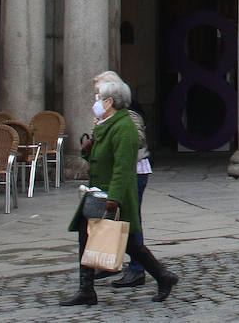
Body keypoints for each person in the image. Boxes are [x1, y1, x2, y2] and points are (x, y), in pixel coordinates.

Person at [59, 75, 179, 306]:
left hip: (112, 194)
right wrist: (88, 148)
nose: (96, 101)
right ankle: (87, 289)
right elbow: (98, 158)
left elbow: (124, 168)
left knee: (129, 242)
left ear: (110, 101)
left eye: (99, 97)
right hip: (97, 192)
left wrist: (114, 198)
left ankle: (163, 276)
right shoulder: (106, 124)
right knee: (86, 235)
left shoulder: (124, 127)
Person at [92, 70, 153, 288]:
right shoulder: (108, 117)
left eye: (99, 93)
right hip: (118, 174)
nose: (96, 99)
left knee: (130, 222)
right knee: (112, 222)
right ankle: (108, 263)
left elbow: (134, 141)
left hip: (134, 172)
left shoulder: (129, 115)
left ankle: (140, 269)